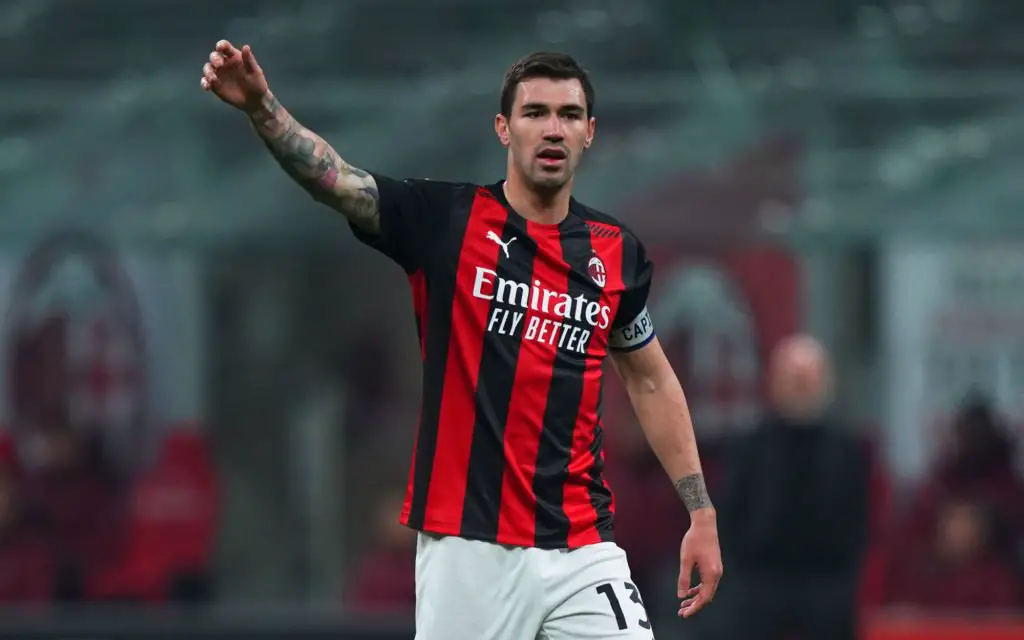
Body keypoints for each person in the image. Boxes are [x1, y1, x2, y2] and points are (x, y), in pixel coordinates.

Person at [201, 41, 722, 639]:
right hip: (468, 550)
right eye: (535, 113)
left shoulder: (615, 252)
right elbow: (336, 182)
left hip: (582, 546)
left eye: (569, 115)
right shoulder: (446, 220)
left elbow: (650, 379)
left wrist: (700, 509)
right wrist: (262, 108)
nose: (553, 129)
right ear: (504, 128)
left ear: (589, 132)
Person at [716, 335, 869, 640]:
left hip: (826, 583)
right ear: (774, 383)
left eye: (808, 379)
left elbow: (858, 522)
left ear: (827, 384)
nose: (801, 387)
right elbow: (731, 519)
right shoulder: (749, 448)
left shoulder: (848, 450)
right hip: (760, 581)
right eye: (794, 379)